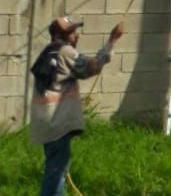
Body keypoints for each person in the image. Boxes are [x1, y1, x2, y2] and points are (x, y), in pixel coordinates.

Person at [29, 15, 124, 196]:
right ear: (59, 35)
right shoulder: (65, 51)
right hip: (57, 124)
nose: (75, 34)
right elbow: (92, 67)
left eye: (75, 30)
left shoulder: (49, 52)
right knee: (57, 172)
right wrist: (112, 41)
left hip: (45, 124)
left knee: (55, 169)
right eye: (71, 31)